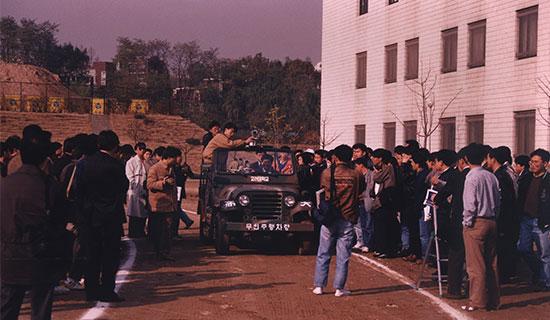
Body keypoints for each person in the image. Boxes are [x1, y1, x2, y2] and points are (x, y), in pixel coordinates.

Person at [1, 126, 67, 320]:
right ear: (44, 158)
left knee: (7, 307)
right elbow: (59, 221)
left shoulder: (6, 183)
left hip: (8, 255)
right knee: (40, 309)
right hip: (40, 255)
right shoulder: (49, 186)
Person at [75, 130, 129, 302]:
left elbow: (77, 190)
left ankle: (91, 290)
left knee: (91, 255)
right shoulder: (116, 165)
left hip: (89, 216)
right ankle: (107, 290)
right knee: (110, 256)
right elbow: (123, 188)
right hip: (110, 216)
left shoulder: (84, 163)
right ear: (115, 145)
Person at [313, 145, 365, 297]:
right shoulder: (356, 174)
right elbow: (361, 189)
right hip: (348, 216)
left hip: (330, 217)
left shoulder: (327, 172)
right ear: (350, 157)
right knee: (343, 255)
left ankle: (319, 285)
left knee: (323, 252)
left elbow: (322, 189)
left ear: (336, 156)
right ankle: (339, 288)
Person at [461, 143, 501, 311]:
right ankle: (493, 300)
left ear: (466, 159)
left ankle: (477, 301)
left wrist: (467, 222)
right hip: (491, 220)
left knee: (475, 265)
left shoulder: (471, 177)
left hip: (476, 222)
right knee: (491, 263)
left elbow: (470, 204)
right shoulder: (491, 176)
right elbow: (499, 200)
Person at [436, 146, 470, 298]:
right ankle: (476, 291)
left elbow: (444, 193)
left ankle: (454, 289)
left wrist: (436, 199)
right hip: (483, 221)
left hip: (459, 220)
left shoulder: (459, 176)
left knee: (456, 255)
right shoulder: (488, 176)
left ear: (463, 161)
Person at [517, 148, 550, 291]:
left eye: (536, 162)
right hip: (526, 220)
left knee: (545, 253)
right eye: (532, 161)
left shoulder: (548, 181)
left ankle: (546, 282)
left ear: (545, 163)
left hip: (541, 221)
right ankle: (538, 272)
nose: (533, 164)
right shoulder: (526, 179)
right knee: (523, 248)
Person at [487, 146, 519, 283]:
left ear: (493, 159)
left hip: (504, 217)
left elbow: (504, 199)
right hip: (508, 217)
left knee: (502, 247)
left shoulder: (500, 176)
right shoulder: (505, 173)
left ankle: (504, 275)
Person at [148, 146, 179, 261]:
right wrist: (163, 183)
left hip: (169, 206)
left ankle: (165, 253)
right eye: (175, 158)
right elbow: (150, 185)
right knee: (158, 231)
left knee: (168, 231)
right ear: (169, 157)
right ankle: (157, 253)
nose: (177, 160)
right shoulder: (154, 169)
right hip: (158, 206)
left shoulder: (171, 169)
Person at [370, 149, 400, 258]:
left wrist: (376, 171)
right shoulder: (381, 169)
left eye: (374, 157)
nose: (372, 159)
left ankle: (386, 249)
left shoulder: (388, 168)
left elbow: (377, 178)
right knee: (379, 226)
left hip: (386, 201)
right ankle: (380, 248)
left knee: (385, 226)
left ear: (380, 158)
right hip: (379, 200)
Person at [126, 142, 149, 238]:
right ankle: (133, 232)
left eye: (144, 148)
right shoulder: (131, 162)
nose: (142, 150)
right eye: (140, 149)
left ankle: (141, 231)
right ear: (136, 150)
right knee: (134, 212)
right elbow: (130, 177)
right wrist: (136, 188)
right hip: (134, 191)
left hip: (143, 190)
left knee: (143, 212)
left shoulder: (145, 162)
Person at [172, 151, 197, 238]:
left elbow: (192, 176)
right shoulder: (173, 167)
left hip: (179, 190)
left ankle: (175, 231)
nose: (180, 159)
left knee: (177, 209)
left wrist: (187, 171)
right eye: (178, 157)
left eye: (180, 157)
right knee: (176, 210)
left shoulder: (182, 167)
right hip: (174, 190)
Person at [353, 156, 374, 253]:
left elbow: (370, 189)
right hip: (360, 202)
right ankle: (361, 242)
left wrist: (362, 195)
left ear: (361, 165)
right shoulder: (358, 175)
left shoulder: (371, 174)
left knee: (368, 224)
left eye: (356, 165)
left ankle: (368, 244)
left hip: (368, 202)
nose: (355, 167)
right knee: (360, 224)